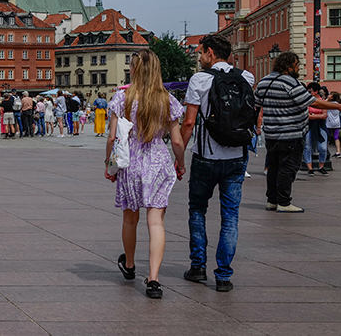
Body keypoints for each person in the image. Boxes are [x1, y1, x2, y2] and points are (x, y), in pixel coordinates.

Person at [105, 50, 185, 299]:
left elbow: (112, 137)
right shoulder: (167, 100)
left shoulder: (122, 98)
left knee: (130, 219)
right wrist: (180, 164)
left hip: (131, 162)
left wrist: (108, 164)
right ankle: (153, 279)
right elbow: (177, 141)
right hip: (158, 161)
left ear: (135, 70)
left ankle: (129, 265)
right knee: (156, 222)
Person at [180, 34, 254, 292]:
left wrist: (179, 156)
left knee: (198, 209)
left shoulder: (200, 79)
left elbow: (189, 122)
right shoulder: (247, 77)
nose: (199, 57)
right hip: (236, 156)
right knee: (230, 216)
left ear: (210, 53)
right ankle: (223, 275)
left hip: (206, 157)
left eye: (200, 53)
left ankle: (198, 266)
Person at [256, 52, 341, 215]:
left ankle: (272, 200)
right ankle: (284, 202)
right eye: (296, 65)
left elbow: (257, 104)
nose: (298, 68)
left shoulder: (263, 82)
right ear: (288, 67)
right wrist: (338, 106)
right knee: (288, 168)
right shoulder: (290, 82)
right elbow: (311, 101)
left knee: (274, 168)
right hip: (291, 133)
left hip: (271, 133)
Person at [303, 82, 329, 176]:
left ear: (316, 92)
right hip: (309, 126)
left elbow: (324, 116)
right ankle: (310, 168)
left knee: (323, 148)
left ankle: (321, 166)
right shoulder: (306, 102)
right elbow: (306, 116)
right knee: (307, 146)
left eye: (310, 91)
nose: (308, 93)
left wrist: (313, 115)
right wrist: (319, 115)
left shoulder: (322, 102)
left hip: (320, 126)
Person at [326, 92, 341, 158]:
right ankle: (338, 152)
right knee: (336, 137)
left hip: (329, 123)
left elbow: (322, 104)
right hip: (336, 123)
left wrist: (327, 99)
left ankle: (325, 151)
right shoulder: (338, 104)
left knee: (327, 138)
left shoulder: (329, 104)